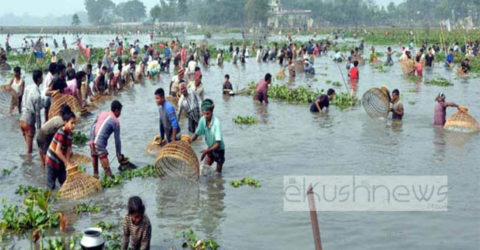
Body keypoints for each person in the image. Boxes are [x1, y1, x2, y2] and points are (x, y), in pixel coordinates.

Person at [89, 100, 124, 178]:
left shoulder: (102, 113)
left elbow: (93, 126)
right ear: (116, 110)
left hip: (92, 142)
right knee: (109, 174)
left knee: (95, 174)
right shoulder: (116, 122)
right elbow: (117, 140)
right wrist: (119, 155)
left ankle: (96, 178)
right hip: (99, 144)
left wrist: (91, 140)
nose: (120, 114)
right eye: (120, 112)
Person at [45, 107, 76, 190]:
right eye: (72, 123)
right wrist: (67, 163)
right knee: (50, 187)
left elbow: (69, 150)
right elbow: (57, 151)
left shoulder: (70, 134)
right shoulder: (61, 132)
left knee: (64, 183)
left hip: (60, 161)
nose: (74, 125)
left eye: (75, 123)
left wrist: (68, 163)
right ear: (65, 122)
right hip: (51, 161)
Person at [191, 99, 225, 173]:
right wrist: (188, 142)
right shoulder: (202, 120)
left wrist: (206, 151)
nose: (205, 116)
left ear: (212, 112)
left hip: (219, 150)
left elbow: (218, 144)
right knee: (204, 170)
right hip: (210, 148)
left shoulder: (216, 123)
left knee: (218, 174)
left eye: (208, 114)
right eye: (204, 113)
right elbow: (196, 134)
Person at [37, 104, 70, 169]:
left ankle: (44, 173)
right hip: (44, 135)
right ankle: (47, 172)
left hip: (40, 134)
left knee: (43, 156)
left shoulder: (57, 118)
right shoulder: (62, 123)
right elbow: (61, 138)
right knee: (46, 156)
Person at [19, 70, 43, 154]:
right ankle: (27, 165)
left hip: (22, 119)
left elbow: (22, 102)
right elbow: (37, 114)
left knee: (28, 147)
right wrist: (39, 128)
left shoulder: (28, 88)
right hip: (29, 122)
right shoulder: (37, 95)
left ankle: (28, 166)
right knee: (29, 151)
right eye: (42, 77)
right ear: (39, 79)